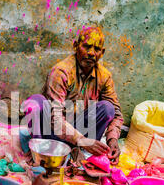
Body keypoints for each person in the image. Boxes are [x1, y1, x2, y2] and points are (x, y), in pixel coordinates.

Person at [23, 26, 124, 164]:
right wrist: (81, 139)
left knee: (108, 108)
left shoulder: (104, 76)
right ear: (76, 46)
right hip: (51, 133)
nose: (91, 53)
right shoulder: (62, 72)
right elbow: (56, 119)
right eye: (86, 46)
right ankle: (39, 153)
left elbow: (117, 115)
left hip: (80, 133)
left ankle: (80, 151)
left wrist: (112, 140)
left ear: (102, 53)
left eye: (97, 49)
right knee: (35, 103)